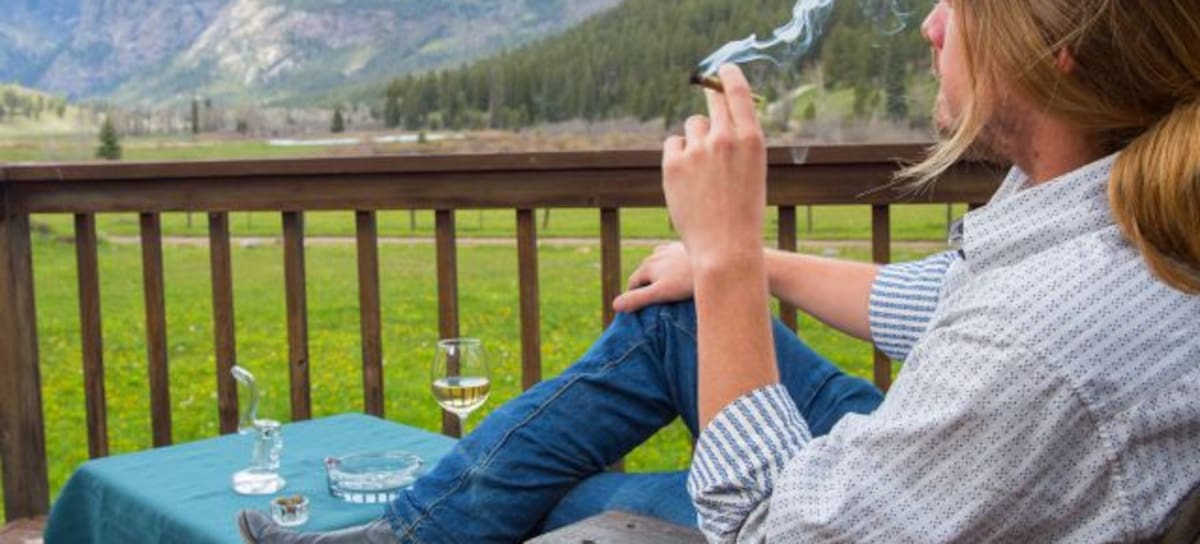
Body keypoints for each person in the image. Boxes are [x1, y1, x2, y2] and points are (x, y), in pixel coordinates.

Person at [237, 0, 1200, 541]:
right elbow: (944, 302)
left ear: (1056, 50)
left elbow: (772, 527)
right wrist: (742, 268)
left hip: (830, 510)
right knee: (674, 314)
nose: (931, 25)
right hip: (947, 462)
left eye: (962, 3)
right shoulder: (1107, 199)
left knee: (561, 507)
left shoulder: (1041, 344)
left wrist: (729, 252)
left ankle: (411, 534)